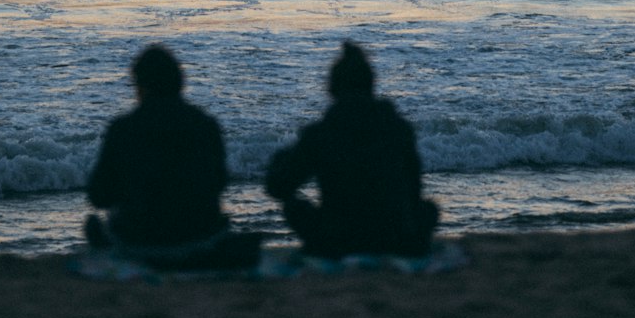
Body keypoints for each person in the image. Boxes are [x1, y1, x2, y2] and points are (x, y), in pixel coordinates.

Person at [85, 44, 258, 269]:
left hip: (139, 240)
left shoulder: (123, 128)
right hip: (200, 236)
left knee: (94, 225)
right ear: (180, 82)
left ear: (140, 85)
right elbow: (219, 183)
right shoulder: (205, 125)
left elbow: (99, 196)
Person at [266, 41, 439, 258]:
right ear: (371, 85)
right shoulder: (398, 128)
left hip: (338, 240)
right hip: (395, 237)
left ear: (332, 89)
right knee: (428, 209)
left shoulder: (321, 133)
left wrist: (280, 160)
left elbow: (278, 187)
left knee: (294, 206)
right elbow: (415, 190)